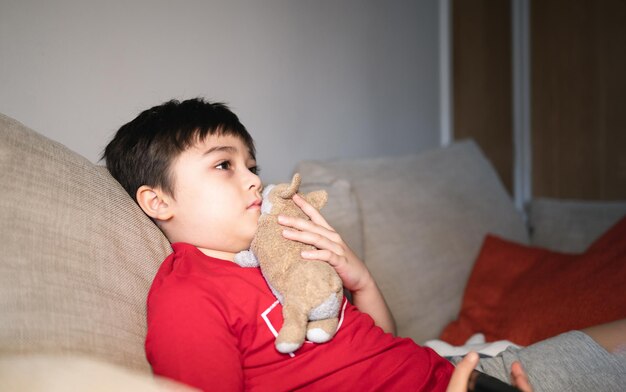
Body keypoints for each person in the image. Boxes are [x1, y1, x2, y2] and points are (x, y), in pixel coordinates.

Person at [104, 98, 625, 392]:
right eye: (225, 165)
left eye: (253, 166)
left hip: (458, 370)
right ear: (158, 201)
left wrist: (359, 278)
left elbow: (383, 342)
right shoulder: (188, 296)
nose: (255, 182)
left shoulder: (284, 248)